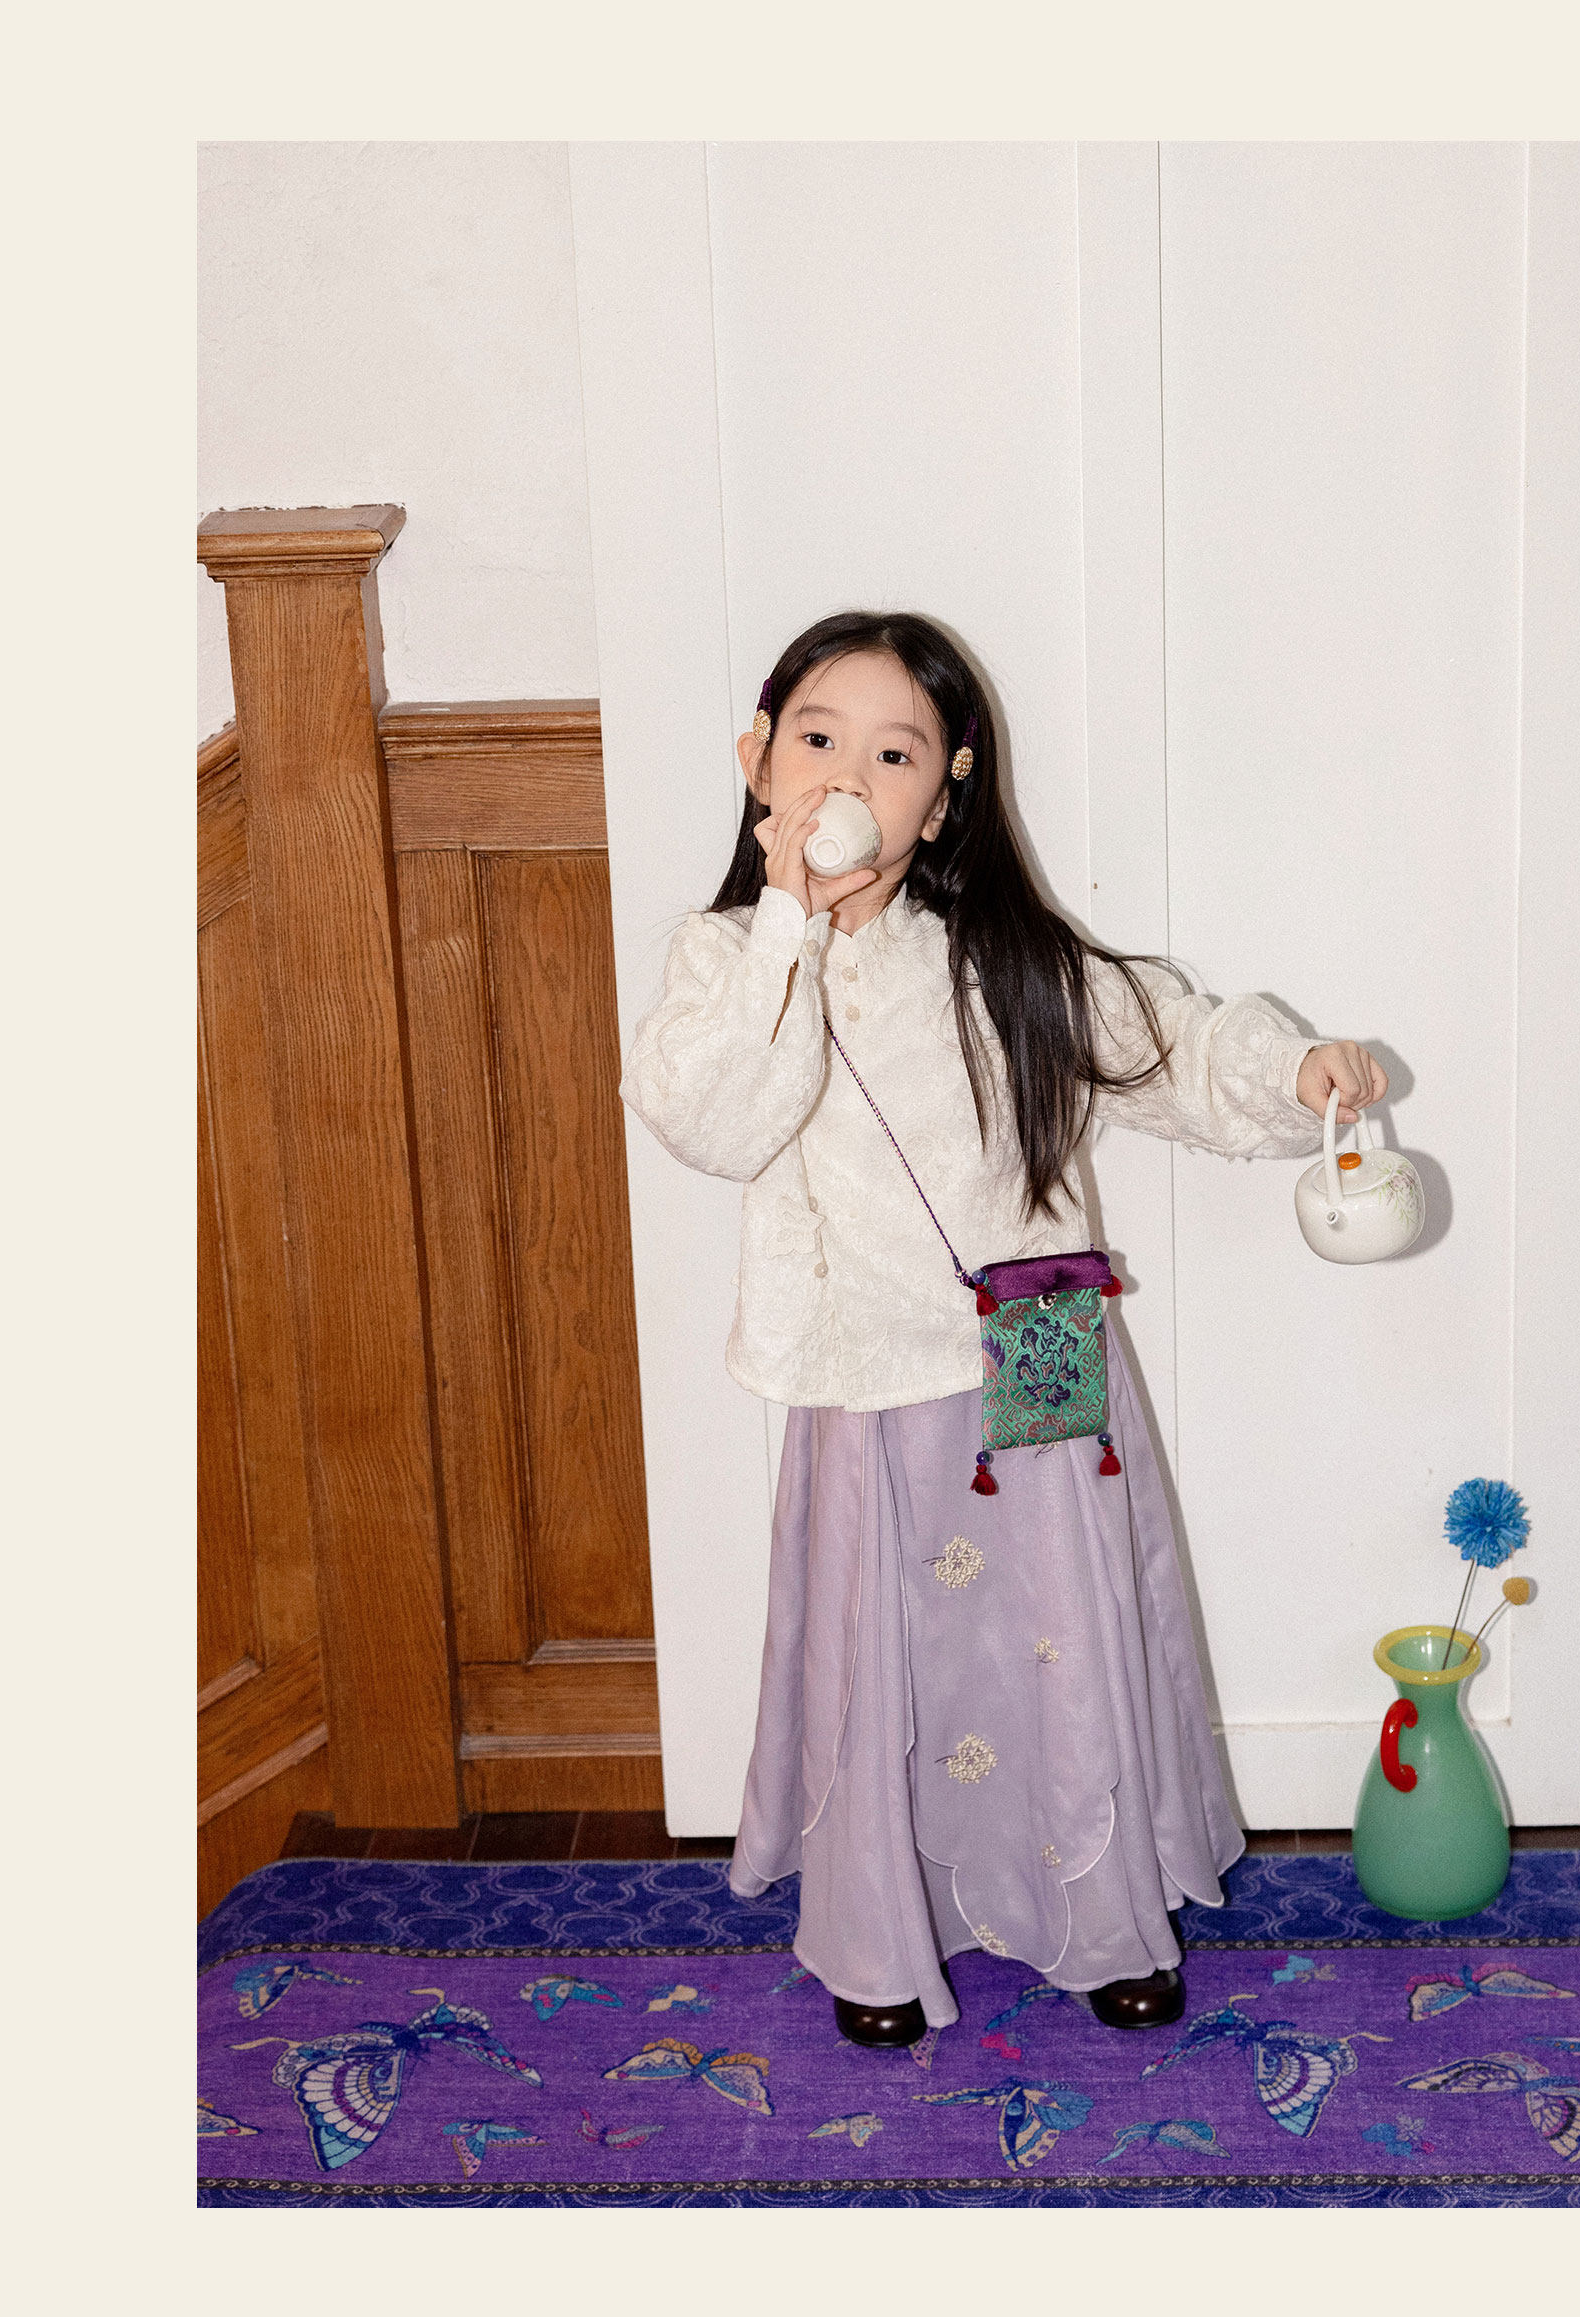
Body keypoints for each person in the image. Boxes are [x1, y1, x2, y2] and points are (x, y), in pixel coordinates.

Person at [620, 611, 1387, 2049]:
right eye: (818, 739)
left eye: (895, 752)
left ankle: (1102, 1920)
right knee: (891, 1659)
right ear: (759, 761)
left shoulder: (1003, 957)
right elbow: (715, 1119)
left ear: (945, 791)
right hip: (865, 1379)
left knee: (1057, 1643)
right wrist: (788, 914)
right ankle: (878, 1937)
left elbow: (1171, 1037)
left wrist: (1298, 1067)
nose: (850, 775)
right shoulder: (730, 959)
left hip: (1036, 1349)